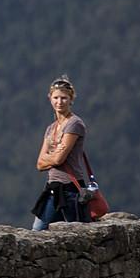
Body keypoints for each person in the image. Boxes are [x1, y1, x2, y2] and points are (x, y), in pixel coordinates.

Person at [30, 76, 89, 229]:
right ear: (50, 99)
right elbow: (39, 164)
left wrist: (51, 157)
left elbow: (58, 160)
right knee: (37, 231)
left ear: (71, 99)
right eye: (56, 97)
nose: (59, 102)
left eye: (64, 98)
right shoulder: (51, 128)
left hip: (71, 190)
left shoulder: (74, 124)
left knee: (77, 233)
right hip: (52, 188)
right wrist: (54, 156)